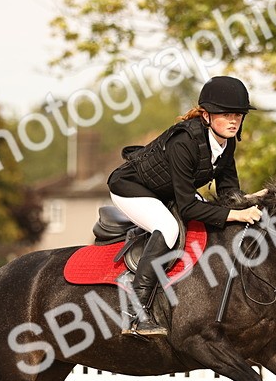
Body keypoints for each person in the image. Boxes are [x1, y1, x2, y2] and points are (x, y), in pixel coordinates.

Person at [107, 76, 264, 336]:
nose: (234, 120)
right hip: (130, 188)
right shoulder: (185, 142)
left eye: (238, 114)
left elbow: (228, 193)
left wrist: (250, 201)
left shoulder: (227, 142)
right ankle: (133, 313)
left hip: (164, 192)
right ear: (206, 115)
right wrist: (236, 213)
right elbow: (189, 208)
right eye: (225, 114)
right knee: (168, 227)